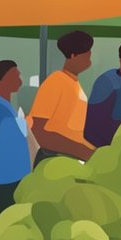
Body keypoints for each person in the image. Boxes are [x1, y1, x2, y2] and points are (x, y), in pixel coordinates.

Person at [28, 30, 94, 165]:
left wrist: (92, 150)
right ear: (73, 56)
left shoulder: (74, 83)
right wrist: (84, 151)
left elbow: (73, 131)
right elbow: (39, 131)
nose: (89, 62)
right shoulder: (56, 81)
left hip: (70, 157)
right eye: (86, 57)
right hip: (51, 158)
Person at [0, 60, 30, 212]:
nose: (20, 81)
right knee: (7, 211)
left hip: (14, 173)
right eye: (14, 76)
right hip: (5, 173)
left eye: (19, 76)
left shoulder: (5, 104)